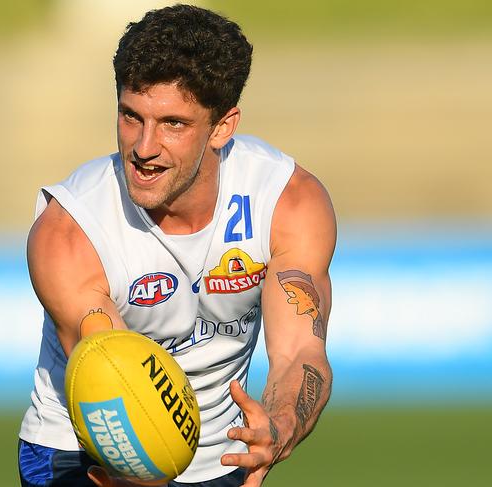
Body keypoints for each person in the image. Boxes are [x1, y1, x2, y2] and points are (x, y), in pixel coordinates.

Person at [18, 4, 336, 487]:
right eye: (130, 116)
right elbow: (113, 389)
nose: (144, 148)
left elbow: (298, 354)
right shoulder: (70, 232)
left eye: (173, 123)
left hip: (224, 458)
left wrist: (278, 427)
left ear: (223, 126)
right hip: (87, 455)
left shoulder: (287, 201)